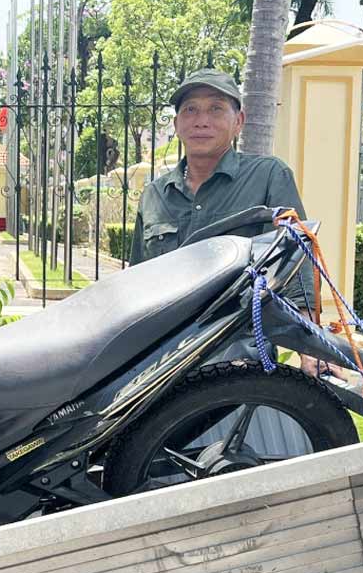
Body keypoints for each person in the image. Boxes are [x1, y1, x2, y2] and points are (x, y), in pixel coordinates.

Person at [130, 68, 326, 374]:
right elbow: (136, 284)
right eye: (190, 110)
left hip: (238, 361)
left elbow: (296, 256)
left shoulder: (268, 176)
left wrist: (311, 343)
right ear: (177, 124)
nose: (201, 120)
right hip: (161, 365)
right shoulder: (155, 194)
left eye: (216, 109)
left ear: (239, 122)